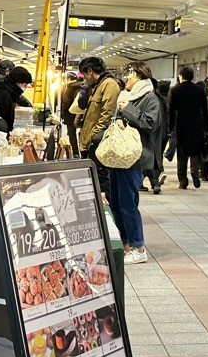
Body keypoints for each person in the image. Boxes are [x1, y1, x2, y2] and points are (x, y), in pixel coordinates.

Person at [107, 61, 163, 265]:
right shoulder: (127, 97)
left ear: (139, 76)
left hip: (134, 156)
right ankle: (126, 245)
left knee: (128, 204)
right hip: (118, 156)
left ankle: (139, 248)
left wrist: (127, 110)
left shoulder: (150, 98)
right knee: (116, 203)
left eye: (129, 76)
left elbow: (149, 124)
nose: (126, 80)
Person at [78, 56, 120, 197]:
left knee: (101, 179)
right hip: (90, 140)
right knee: (92, 179)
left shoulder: (109, 84)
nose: (84, 78)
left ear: (89, 71)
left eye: (84, 74)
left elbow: (107, 114)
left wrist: (94, 136)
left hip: (97, 140)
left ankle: (106, 212)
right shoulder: (96, 85)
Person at [169, 66, 208, 189]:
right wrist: (206, 127)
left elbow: (171, 111)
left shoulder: (175, 90)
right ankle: (194, 170)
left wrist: (171, 127)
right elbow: (205, 110)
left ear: (181, 76)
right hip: (196, 124)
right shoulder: (199, 90)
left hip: (181, 125)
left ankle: (183, 180)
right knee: (196, 151)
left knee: (181, 153)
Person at [144, 79, 173, 194]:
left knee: (149, 158)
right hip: (162, 132)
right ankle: (155, 178)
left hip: (151, 132)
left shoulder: (150, 99)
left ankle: (155, 180)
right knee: (155, 156)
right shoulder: (161, 99)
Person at [0, 65, 33, 131]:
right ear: (18, 82)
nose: (25, 89)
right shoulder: (3, 94)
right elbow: (2, 116)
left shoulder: (12, 93)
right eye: (25, 85)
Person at [60, 71, 83, 157]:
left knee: (71, 133)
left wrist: (63, 111)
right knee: (81, 132)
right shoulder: (82, 86)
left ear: (69, 79)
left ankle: (75, 152)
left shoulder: (70, 87)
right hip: (81, 113)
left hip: (70, 113)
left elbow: (66, 101)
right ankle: (82, 150)